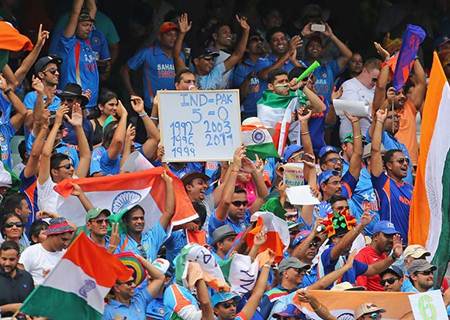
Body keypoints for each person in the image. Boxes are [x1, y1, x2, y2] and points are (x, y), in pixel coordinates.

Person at [318, 206, 402, 287]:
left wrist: (394, 256)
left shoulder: (349, 259)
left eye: (350, 237)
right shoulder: (327, 254)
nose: (350, 241)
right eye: (343, 236)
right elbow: (341, 247)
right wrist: (361, 226)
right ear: (333, 239)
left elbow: (373, 269)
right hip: (328, 300)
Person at [37, 100, 91, 213]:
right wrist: (56, 124)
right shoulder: (46, 185)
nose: (72, 169)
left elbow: (85, 156)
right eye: (67, 167)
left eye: (71, 165)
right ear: (55, 172)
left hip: (71, 230)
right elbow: (46, 155)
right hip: (49, 229)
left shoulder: (74, 182)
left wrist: (78, 127)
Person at [173, 13, 250, 90]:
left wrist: (246, 32)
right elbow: (176, 56)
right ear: (196, 61)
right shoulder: (187, 75)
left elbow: (237, 55)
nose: (211, 62)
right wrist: (181, 34)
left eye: (212, 59)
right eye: (207, 59)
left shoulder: (215, 73)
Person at [370, 109, 412, 243]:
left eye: (406, 161)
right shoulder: (383, 183)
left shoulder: (412, 189)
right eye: (400, 161)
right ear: (388, 165)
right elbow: (375, 151)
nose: (405, 164)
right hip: (388, 245)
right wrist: (380, 121)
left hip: (409, 247)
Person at [115, 170, 174, 261]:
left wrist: (169, 182)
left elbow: (168, 212)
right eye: (135, 219)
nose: (139, 221)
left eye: (141, 218)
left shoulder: (152, 237)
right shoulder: (118, 240)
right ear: (126, 221)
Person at [121, 21, 180, 108]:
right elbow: (124, 71)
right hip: (152, 106)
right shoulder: (147, 53)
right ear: (160, 37)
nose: (173, 38)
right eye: (169, 35)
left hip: (176, 105)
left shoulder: (180, 55)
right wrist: (132, 93)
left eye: (175, 35)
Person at [53, 0, 99, 109]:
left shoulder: (87, 41)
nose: (89, 28)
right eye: (84, 25)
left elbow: (93, 9)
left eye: (90, 25)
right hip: (75, 102)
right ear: (75, 25)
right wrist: (75, 16)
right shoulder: (68, 44)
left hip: (91, 103)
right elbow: (75, 12)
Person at [301, 22, 353, 103]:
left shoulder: (330, 67)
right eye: (311, 45)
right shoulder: (301, 65)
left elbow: (348, 56)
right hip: (306, 110)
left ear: (322, 50)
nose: (315, 48)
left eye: (318, 46)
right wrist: (302, 34)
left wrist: (332, 36)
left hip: (327, 111)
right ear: (306, 49)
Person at [103, 255, 165, 320]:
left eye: (133, 281)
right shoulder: (107, 311)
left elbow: (160, 278)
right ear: (116, 288)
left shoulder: (139, 300)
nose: (134, 285)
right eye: (129, 283)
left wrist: (140, 259)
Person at [19, 217, 74, 285]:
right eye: (64, 239)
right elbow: (19, 278)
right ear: (52, 235)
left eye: (68, 240)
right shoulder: (31, 252)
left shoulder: (66, 254)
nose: (66, 244)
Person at [339, 58, 381, 140]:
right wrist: (374, 110)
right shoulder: (348, 85)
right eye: (374, 79)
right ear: (365, 71)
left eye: (378, 81)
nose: (375, 83)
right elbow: (353, 109)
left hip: (371, 138)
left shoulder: (376, 89)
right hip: (351, 139)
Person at [355, 220, 399, 291]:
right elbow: (362, 290)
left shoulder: (384, 255)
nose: (391, 240)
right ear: (375, 236)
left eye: (392, 236)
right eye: (387, 236)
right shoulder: (362, 256)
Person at [232, 33, 266, 118]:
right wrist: (247, 79)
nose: (259, 42)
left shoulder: (268, 63)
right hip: (248, 113)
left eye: (261, 40)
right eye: (254, 40)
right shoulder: (241, 68)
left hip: (268, 110)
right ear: (246, 48)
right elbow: (239, 95)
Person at [0, 241, 34, 318]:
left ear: (18, 258)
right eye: (4, 259)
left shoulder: (27, 276)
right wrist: (9, 308)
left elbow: (33, 305)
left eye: (12, 259)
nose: (7, 263)